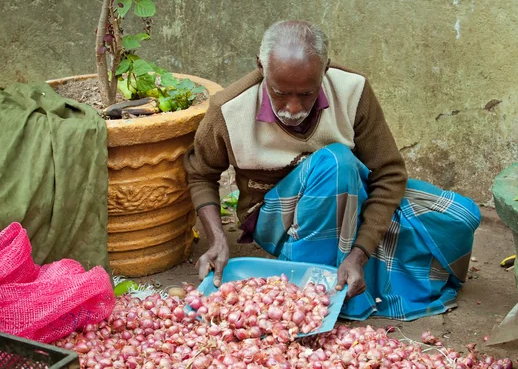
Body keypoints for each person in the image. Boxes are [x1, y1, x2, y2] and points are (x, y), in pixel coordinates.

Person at [184, 20, 481, 320]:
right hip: (275, 214)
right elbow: (201, 174)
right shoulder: (229, 109)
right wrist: (218, 239)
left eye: (307, 94)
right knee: (335, 162)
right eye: (280, 92)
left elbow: (389, 174)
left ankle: (347, 265)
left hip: (346, 198)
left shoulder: (352, 90)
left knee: (459, 216)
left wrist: (359, 253)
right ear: (260, 67)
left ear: (325, 71)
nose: (293, 107)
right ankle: (315, 292)